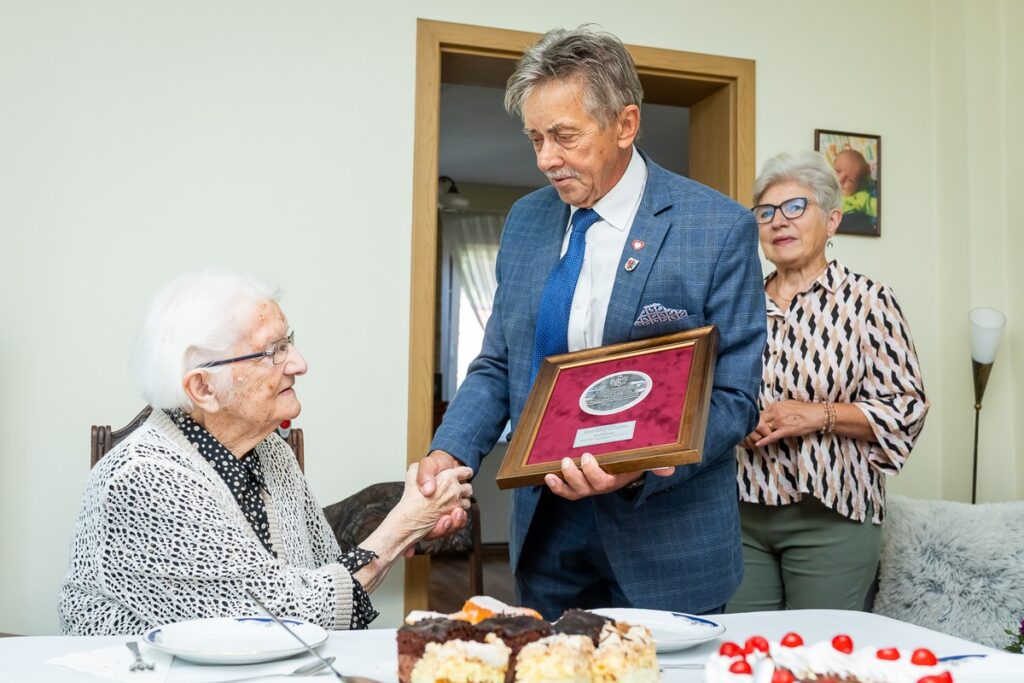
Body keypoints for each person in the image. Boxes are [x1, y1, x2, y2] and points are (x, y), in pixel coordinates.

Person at [417, 27, 766, 619]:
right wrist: (449, 453)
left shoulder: (716, 227)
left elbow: (735, 395)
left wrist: (637, 464)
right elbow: (499, 361)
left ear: (626, 125)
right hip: (549, 530)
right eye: (534, 138)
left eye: (564, 136)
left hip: (666, 535)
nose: (545, 158)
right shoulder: (527, 221)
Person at [58, 271, 472, 635]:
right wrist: (403, 525)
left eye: (288, 342)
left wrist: (411, 527)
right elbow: (277, 620)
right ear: (203, 388)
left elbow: (324, 575)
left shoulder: (269, 448)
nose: (299, 363)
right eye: (272, 350)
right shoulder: (143, 479)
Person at [727, 151, 928, 613]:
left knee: (818, 659)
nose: (779, 222)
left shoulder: (870, 302)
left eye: (796, 208)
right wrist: (738, 418)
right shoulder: (738, 305)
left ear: (833, 220)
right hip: (741, 514)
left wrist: (817, 415)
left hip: (832, 516)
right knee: (745, 654)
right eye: (766, 213)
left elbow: (906, 407)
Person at [832, 149, 877, 233]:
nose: (840, 179)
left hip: (848, 221)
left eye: (850, 180)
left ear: (858, 185)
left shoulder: (861, 197)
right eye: (837, 171)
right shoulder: (822, 187)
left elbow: (880, 209)